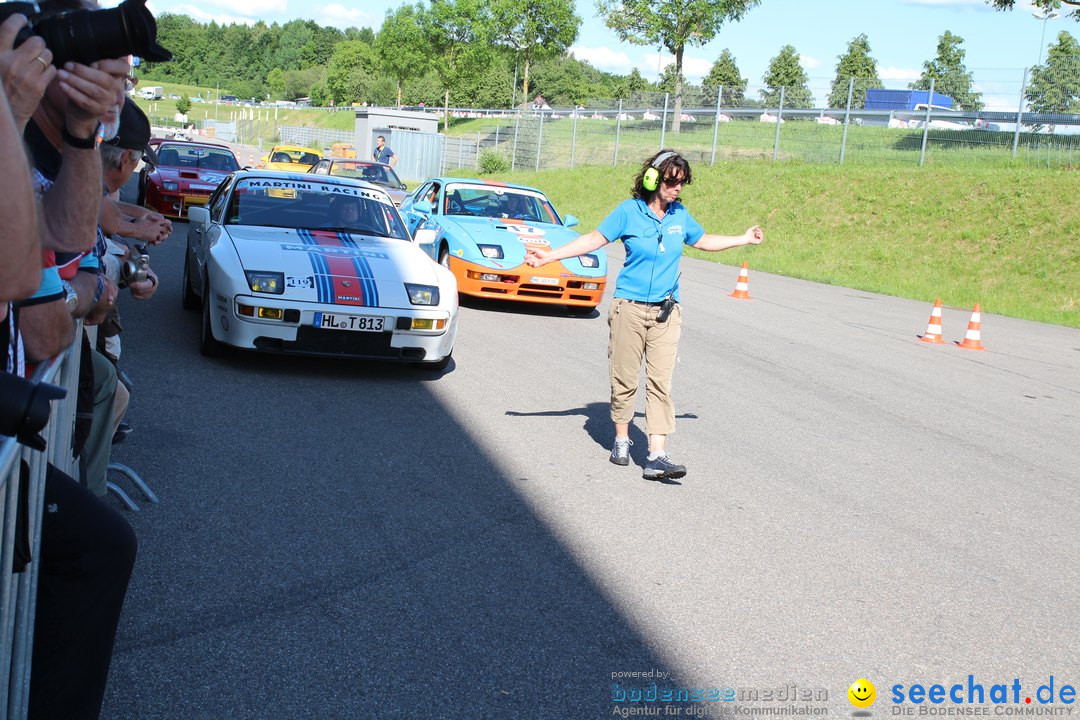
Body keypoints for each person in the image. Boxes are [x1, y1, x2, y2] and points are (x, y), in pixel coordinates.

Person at [526, 149, 764, 481]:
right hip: (629, 309)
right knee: (624, 379)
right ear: (652, 179)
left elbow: (704, 240)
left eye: (682, 183)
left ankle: (657, 455)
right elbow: (593, 239)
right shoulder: (628, 213)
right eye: (670, 181)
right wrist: (549, 257)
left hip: (667, 312)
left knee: (660, 383)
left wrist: (743, 239)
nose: (677, 189)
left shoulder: (680, 216)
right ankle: (621, 439)